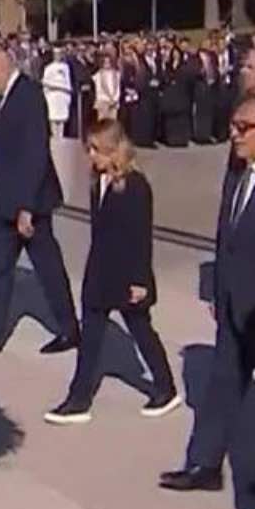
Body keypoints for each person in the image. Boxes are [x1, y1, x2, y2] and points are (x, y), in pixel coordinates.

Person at [160, 94, 255, 493]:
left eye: (244, 128)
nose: (234, 135)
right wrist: (217, 292)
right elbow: (227, 240)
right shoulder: (239, 173)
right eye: (233, 126)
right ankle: (204, 464)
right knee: (221, 387)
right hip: (234, 306)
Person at [44, 119, 180, 424]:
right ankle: (78, 399)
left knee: (142, 331)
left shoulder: (136, 186)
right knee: (90, 338)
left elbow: (140, 236)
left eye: (96, 150)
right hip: (100, 272)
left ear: (113, 151)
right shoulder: (99, 182)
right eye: (89, 149)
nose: (91, 156)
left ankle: (165, 387)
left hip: (126, 274)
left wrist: (140, 280)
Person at [0, 46, 79, 357]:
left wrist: (26, 207)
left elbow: (35, 154)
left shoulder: (29, 95)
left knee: (49, 270)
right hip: (2, 204)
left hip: (29, 205)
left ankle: (70, 329)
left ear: (3, 68)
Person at [41, 46, 73, 137]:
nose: (58, 56)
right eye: (56, 54)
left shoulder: (66, 67)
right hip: (53, 97)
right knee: (53, 120)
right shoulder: (48, 68)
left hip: (62, 97)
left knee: (62, 120)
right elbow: (45, 82)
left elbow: (68, 82)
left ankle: (61, 138)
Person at [92, 46, 121, 122]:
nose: (107, 64)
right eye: (105, 62)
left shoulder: (117, 74)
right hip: (103, 102)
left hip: (114, 103)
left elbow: (118, 89)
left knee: (112, 125)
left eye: (108, 62)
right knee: (103, 125)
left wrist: (114, 99)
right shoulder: (97, 75)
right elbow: (98, 90)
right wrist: (108, 100)